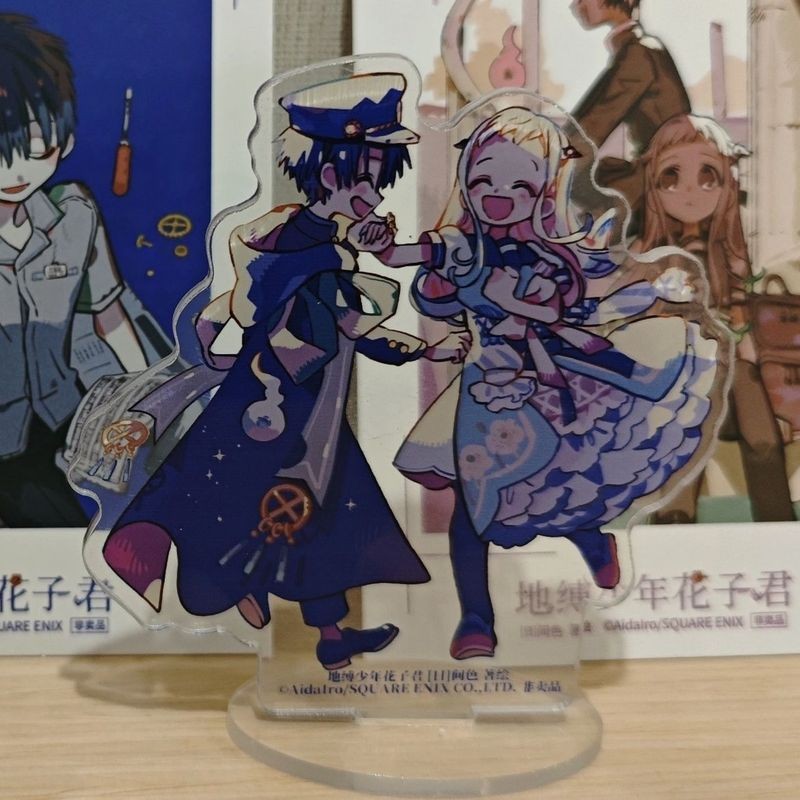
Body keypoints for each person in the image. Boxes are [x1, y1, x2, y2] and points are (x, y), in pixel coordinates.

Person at [100, 73, 470, 671]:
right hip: (276, 412)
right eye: (363, 180)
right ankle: (246, 594)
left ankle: (327, 634)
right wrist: (420, 348)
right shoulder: (308, 252)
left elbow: (322, 326)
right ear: (327, 175)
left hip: (299, 409)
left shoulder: (300, 240)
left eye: (377, 181)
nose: (373, 196)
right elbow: (339, 331)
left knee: (313, 515)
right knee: (256, 505)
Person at [372, 107, 723, 659]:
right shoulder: (459, 243)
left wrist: (512, 301)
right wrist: (382, 243)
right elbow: (408, 261)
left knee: (557, 484)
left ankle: (591, 541)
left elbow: (556, 307)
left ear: (543, 192)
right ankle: (476, 618)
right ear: (466, 178)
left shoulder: (551, 253)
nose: (498, 195)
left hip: (550, 378)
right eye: (484, 179)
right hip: (484, 389)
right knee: (474, 506)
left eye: (520, 185)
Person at [0, 14, 160, 527]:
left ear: (63, 142)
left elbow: (110, 316)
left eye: (36, 149)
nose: (15, 171)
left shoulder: (75, 215)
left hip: (65, 425)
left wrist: (146, 397)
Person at [637, 114, 795, 522]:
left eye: (708, 177)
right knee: (687, 432)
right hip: (680, 364)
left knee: (762, 439)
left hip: (732, 359)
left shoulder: (730, 253)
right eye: (672, 177)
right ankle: (674, 519)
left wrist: (752, 356)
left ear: (728, 184)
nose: (690, 191)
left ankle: (778, 524)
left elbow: (740, 312)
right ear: (654, 186)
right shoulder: (649, 254)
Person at [569, 0, 691, 216]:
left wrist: (552, 163)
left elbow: (596, 123)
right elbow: (587, 119)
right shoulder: (635, 49)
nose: (576, 5)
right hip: (661, 174)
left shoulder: (640, 53)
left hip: (667, 182)